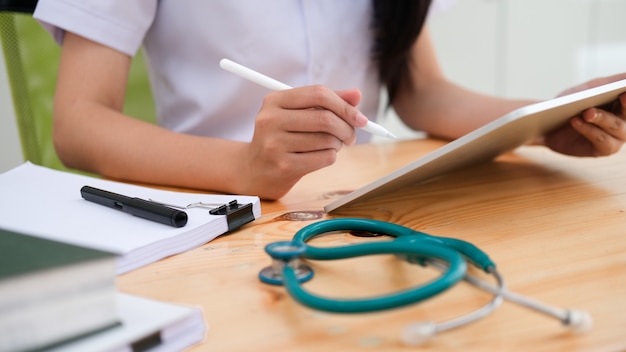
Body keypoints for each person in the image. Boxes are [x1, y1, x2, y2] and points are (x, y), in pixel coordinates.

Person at [33, 1, 625, 200]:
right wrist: (243, 167)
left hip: (364, 208)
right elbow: (80, 123)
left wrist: (546, 122)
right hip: (211, 210)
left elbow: (422, 93)